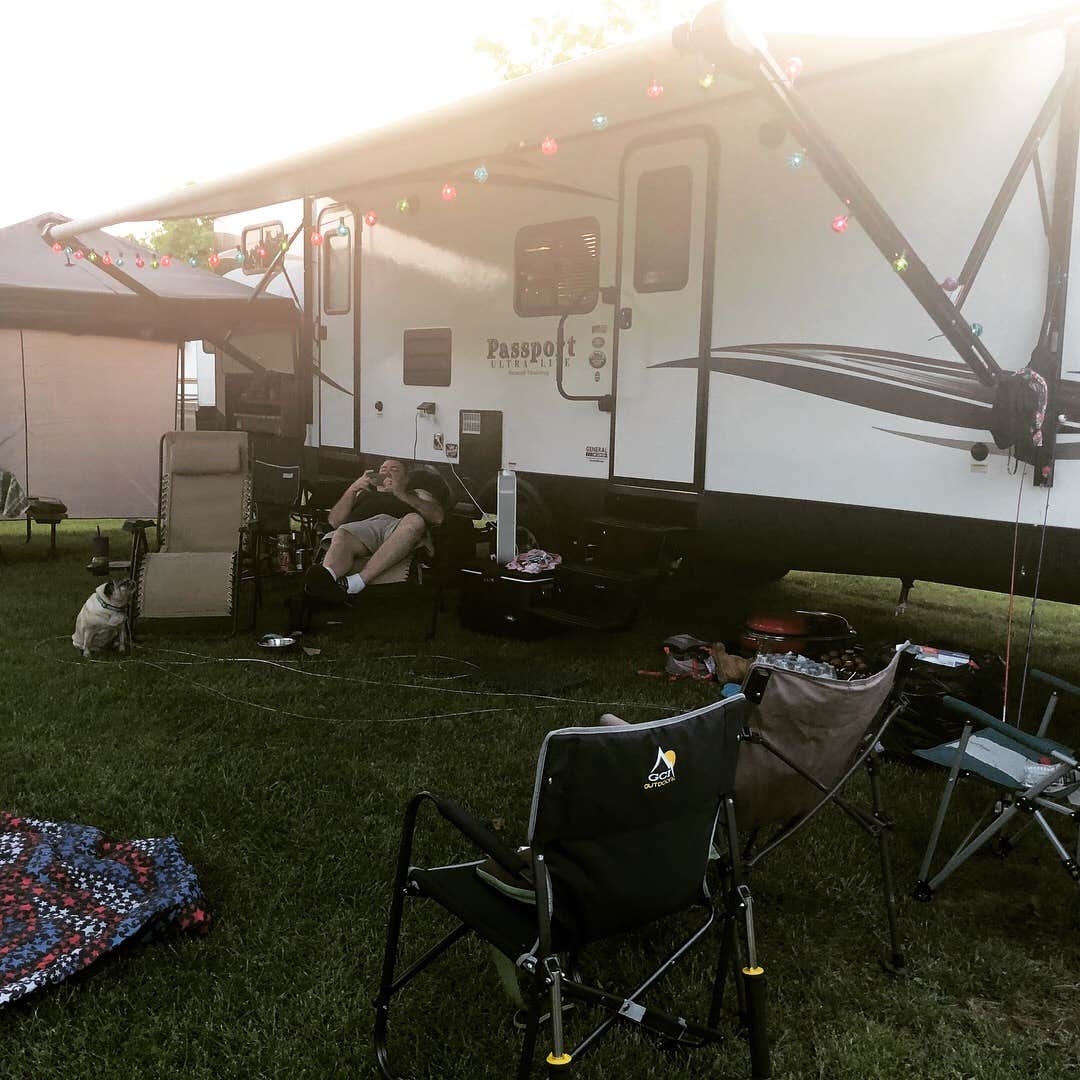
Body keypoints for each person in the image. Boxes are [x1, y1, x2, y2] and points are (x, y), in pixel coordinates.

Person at [304, 457, 445, 601]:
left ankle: (356, 582)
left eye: (394, 469)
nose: (387, 472)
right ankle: (326, 579)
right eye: (383, 469)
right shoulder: (363, 492)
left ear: (406, 478)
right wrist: (352, 489)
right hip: (361, 530)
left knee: (415, 520)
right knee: (341, 533)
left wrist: (400, 493)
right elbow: (334, 521)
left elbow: (438, 517)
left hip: (397, 528)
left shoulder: (416, 493)